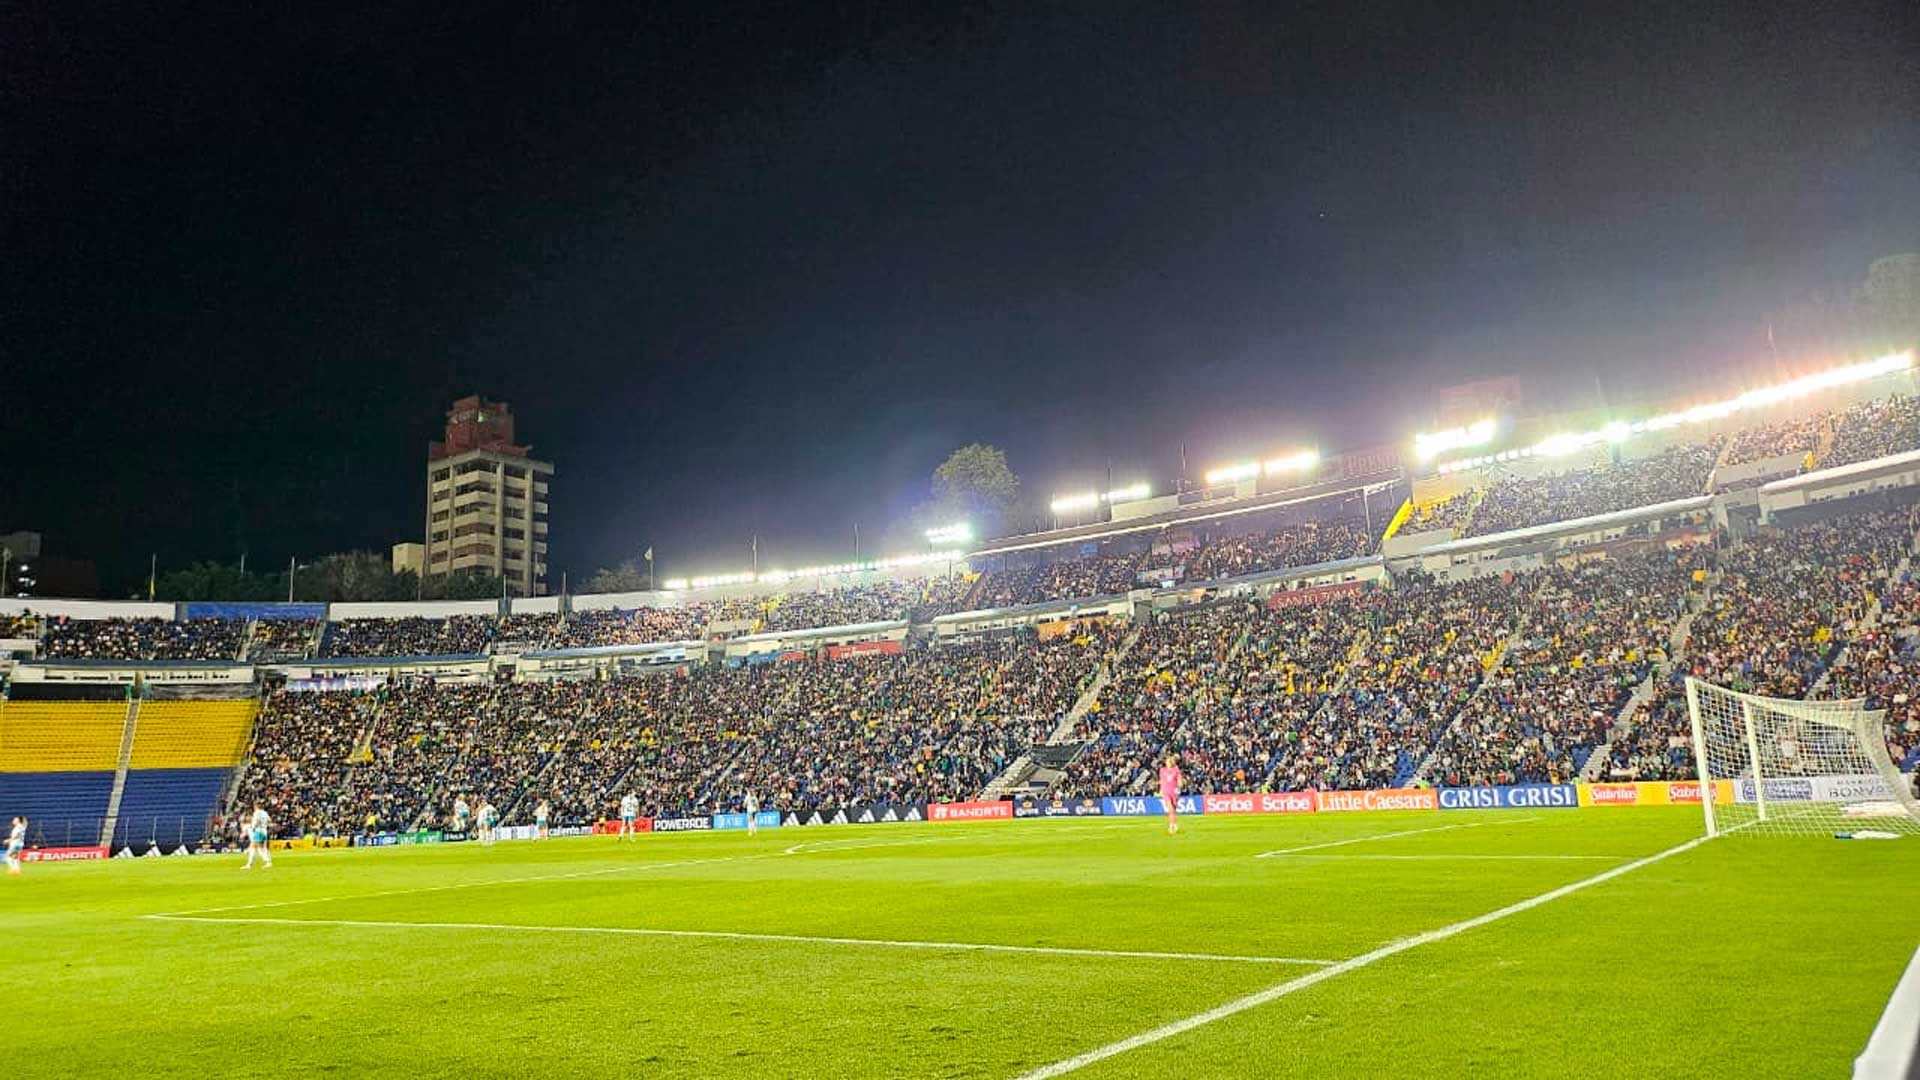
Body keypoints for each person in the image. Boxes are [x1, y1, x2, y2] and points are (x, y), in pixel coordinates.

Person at [1158, 753, 1183, 836]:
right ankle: (1172, 826)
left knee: (1173, 810)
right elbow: (1162, 780)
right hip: (1166, 792)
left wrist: (1179, 786)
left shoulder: (1176, 769)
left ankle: (1173, 824)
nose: (1167, 762)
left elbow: (1179, 779)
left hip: (1174, 792)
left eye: (1169, 761)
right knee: (1170, 808)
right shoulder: (1162, 770)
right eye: (1167, 761)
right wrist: (1161, 790)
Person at [242, 804, 273, 870]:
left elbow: (257, 821)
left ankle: (268, 862)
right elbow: (269, 820)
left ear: (257, 807)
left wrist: (253, 827)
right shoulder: (265, 813)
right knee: (254, 847)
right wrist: (264, 825)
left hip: (258, 831)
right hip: (264, 831)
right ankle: (249, 864)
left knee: (259, 848)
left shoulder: (257, 812)